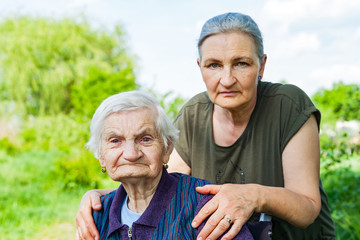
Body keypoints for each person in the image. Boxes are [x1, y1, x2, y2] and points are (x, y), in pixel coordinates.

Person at [76, 12, 336, 239]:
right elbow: (160, 184)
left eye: (241, 63)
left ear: (262, 65)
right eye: (214, 65)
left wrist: (253, 196)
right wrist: (102, 197)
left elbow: (307, 208)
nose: (226, 79)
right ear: (200, 68)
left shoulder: (287, 104)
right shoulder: (194, 114)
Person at [79, 90, 271, 239]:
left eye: (145, 139)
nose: (131, 154)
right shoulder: (96, 214)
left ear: (167, 148)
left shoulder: (203, 206)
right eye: (115, 141)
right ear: (100, 155)